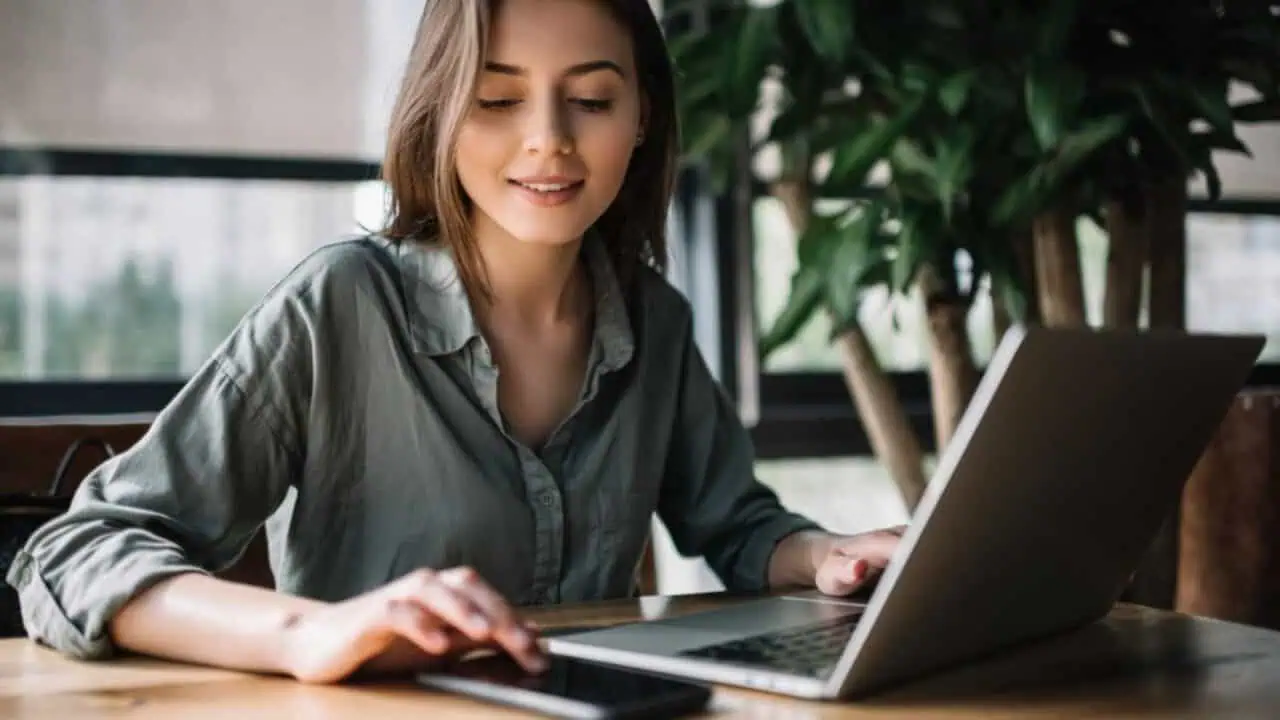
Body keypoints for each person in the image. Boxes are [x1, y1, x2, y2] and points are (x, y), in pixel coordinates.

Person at [7, 0, 904, 684]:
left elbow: (739, 526)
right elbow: (77, 551)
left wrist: (829, 554)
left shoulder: (654, 321)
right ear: (438, 111)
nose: (548, 139)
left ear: (644, 119)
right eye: (498, 98)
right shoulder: (342, 304)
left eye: (591, 98)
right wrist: (308, 632)